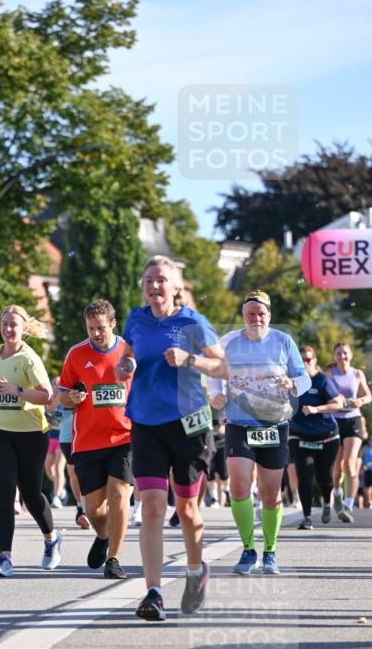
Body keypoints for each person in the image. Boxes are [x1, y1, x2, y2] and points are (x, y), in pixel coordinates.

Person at [115, 256, 225, 620]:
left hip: (188, 423)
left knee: (188, 511)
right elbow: (128, 357)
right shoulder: (136, 319)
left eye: (161, 280)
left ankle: (196, 571)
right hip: (145, 422)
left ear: (175, 286)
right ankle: (154, 593)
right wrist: (124, 366)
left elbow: (223, 365)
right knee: (150, 508)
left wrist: (190, 360)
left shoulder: (192, 322)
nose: (154, 286)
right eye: (148, 280)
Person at [207, 290, 311, 575]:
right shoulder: (228, 342)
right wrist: (216, 395)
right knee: (239, 486)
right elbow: (213, 374)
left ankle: (269, 551)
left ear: (269, 316)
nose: (256, 318)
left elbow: (304, 379)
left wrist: (291, 383)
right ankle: (248, 548)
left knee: (270, 493)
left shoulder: (283, 341)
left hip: (274, 425)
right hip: (239, 424)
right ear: (243, 316)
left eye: (261, 313)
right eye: (250, 313)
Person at [0, 304, 62, 578]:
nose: (8, 329)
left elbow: (46, 395)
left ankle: (51, 538)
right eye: (5, 324)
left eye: (14, 324)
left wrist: (18, 391)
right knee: (3, 492)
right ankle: (5, 558)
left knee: (31, 495)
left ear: (24, 328)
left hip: (31, 434)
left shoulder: (29, 359)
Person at [59, 299, 133, 579]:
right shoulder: (76, 354)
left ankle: (114, 558)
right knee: (93, 509)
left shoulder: (129, 352)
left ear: (113, 323)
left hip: (125, 436)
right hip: (89, 440)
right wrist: (72, 397)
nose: (96, 334)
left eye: (101, 328)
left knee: (119, 494)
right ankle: (102, 536)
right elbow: (62, 396)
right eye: (91, 329)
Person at [289, 345, 344, 530]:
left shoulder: (322, 380)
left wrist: (316, 409)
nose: (304, 363)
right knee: (304, 474)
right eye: (301, 360)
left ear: (314, 362)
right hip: (299, 435)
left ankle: (327, 504)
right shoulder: (291, 381)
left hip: (326, 436)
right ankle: (306, 517)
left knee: (325, 477)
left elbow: (338, 404)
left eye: (308, 360)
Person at [326, 343, 372, 523]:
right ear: (334, 356)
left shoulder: (357, 373)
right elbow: (324, 394)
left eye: (345, 353)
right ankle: (337, 491)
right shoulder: (330, 374)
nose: (342, 356)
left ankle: (348, 506)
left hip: (353, 420)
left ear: (350, 355)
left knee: (351, 465)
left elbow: (369, 395)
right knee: (337, 469)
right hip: (335, 421)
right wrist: (336, 399)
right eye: (339, 353)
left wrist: (360, 400)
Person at [58, 405, 90, 529]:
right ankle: (81, 507)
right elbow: (50, 407)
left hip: (90, 430)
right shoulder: (61, 385)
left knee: (89, 472)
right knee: (75, 475)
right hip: (68, 433)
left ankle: (89, 511)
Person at [45, 381, 67, 508]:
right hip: (50, 437)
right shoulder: (47, 399)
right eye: (55, 383)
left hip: (62, 436)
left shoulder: (65, 399)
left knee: (59, 467)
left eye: (60, 383)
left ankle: (57, 497)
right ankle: (60, 485)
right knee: (49, 469)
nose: (58, 385)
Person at [361, 430, 372, 508]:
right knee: (366, 489)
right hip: (367, 471)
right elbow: (360, 459)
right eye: (370, 439)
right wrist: (362, 467)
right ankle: (368, 502)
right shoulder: (365, 448)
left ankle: (370, 503)